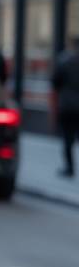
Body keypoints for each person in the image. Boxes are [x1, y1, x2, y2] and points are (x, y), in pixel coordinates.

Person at [51, 37, 79, 178]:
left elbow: (55, 83)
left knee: (68, 139)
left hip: (68, 105)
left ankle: (70, 168)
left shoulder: (64, 62)